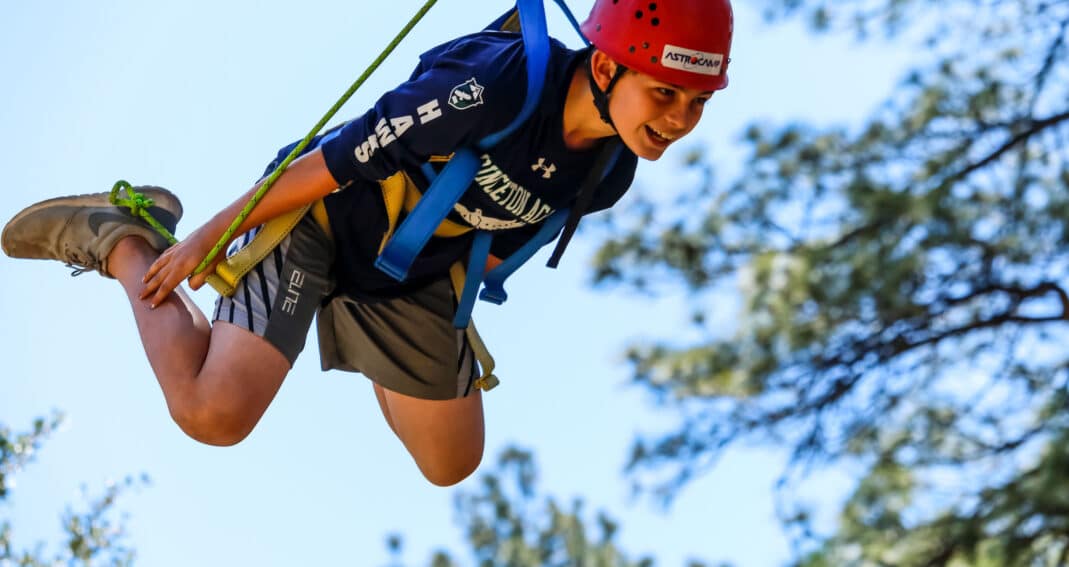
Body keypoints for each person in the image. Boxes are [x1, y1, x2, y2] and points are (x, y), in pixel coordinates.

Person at [1, 0, 733, 486]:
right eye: (663, 92)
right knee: (213, 412)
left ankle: (346, 318)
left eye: (695, 102)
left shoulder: (607, 174)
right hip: (324, 217)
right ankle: (128, 236)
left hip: (407, 273)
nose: (676, 118)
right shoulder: (493, 86)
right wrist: (204, 238)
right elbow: (337, 158)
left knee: (452, 462)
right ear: (605, 66)